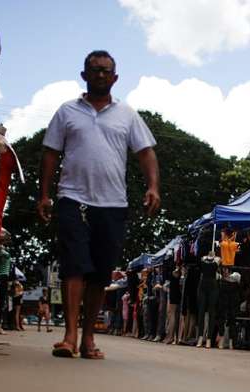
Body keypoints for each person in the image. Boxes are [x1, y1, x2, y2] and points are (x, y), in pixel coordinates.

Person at [38, 50, 161, 360]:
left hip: (112, 204)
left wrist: (153, 187)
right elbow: (50, 153)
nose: (101, 75)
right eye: (94, 70)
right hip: (72, 198)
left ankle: (88, 337)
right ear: (84, 75)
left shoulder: (128, 115)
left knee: (100, 273)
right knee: (74, 265)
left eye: (106, 70)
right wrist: (44, 194)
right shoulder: (66, 111)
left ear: (115, 77)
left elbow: (145, 152)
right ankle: (69, 336)